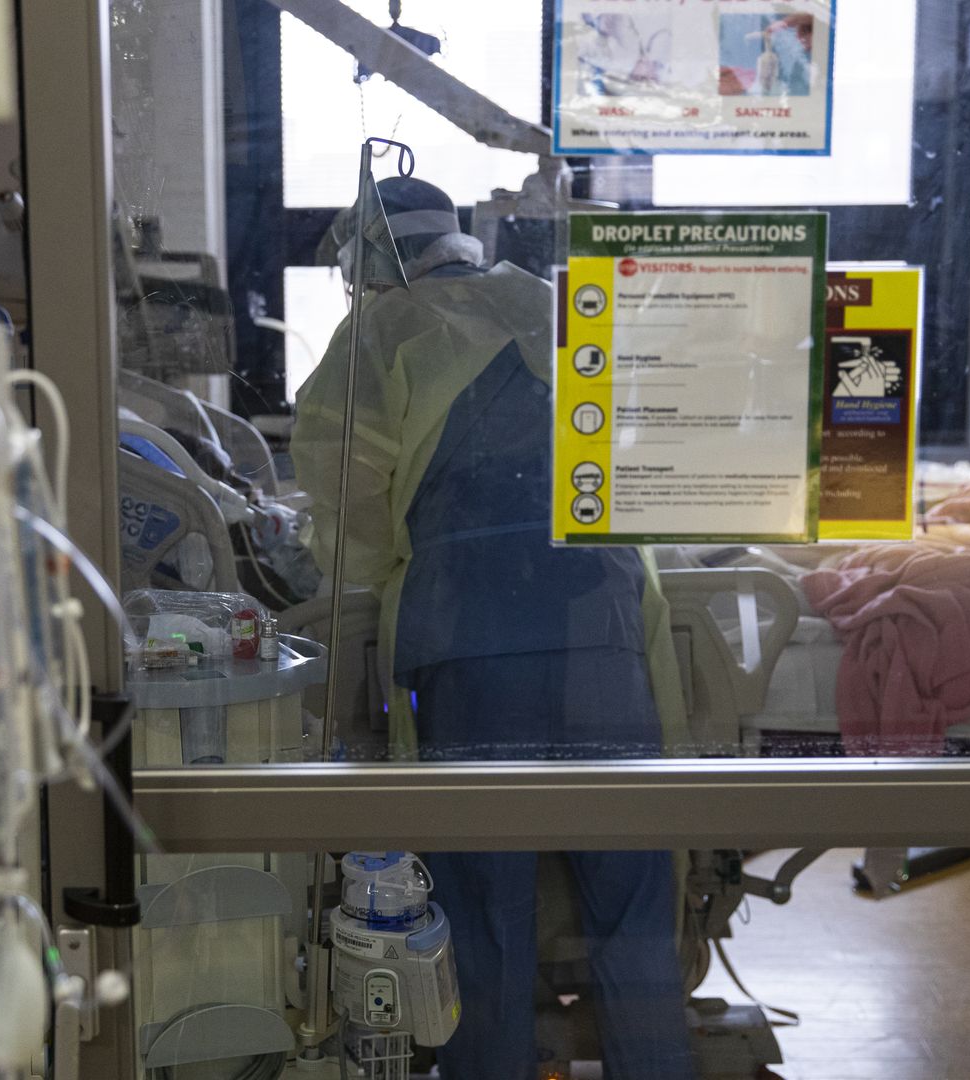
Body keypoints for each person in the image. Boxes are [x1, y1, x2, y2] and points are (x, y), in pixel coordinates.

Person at [294, 176, 694, 1078]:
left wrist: (383, 559)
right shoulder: (552, 305)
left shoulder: (381, 332)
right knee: (633, 911)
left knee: (483, 916)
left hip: (470, 649)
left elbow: (351, 517)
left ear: (370, 263)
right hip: (604, 632)